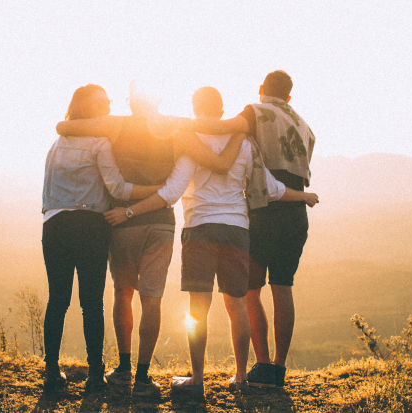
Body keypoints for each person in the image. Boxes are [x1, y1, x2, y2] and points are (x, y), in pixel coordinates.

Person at [104, 87, 318, 397]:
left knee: (198, 309)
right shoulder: (244, 143)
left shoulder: (190, 142)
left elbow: (171, 192)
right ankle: (242, 377)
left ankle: (197, 379)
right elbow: (270, 188)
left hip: (199, 228)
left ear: (194, 108)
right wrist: (304, 196)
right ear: (221, 111)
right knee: (237, 306)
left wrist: (130, 210)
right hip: (237, 230)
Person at [56, 81, 245, 396]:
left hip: (122, 221)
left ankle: (123, 368)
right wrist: (239, 130)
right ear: (158, 100)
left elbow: (65, 126)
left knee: (123, 293)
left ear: (132, 103)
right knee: (152, 299)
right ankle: (143, 377)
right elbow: (218, 162)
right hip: (160, 223)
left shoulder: (116, 125)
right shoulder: (175, 128)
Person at [178, 71, 317, 388]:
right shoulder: (304, 125)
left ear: (260, 89)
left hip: (264, 209)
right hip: (295, 211)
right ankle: (277, 370)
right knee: (283, 287)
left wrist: (176, 124)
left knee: (249, 293)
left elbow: (223, 128)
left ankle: (261, 365)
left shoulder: (256, 112)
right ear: (289, 97)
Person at [41, 84, 163, 393]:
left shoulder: (57, 144)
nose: (108, 106)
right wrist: (158, 191)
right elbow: (119, 190)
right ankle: (96, 374)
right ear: (86, 108)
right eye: (101, 102)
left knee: (57, 299)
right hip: (90, 227)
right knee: (91, 302)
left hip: (54, 225)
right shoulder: (99, 143)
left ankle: (51, 372)